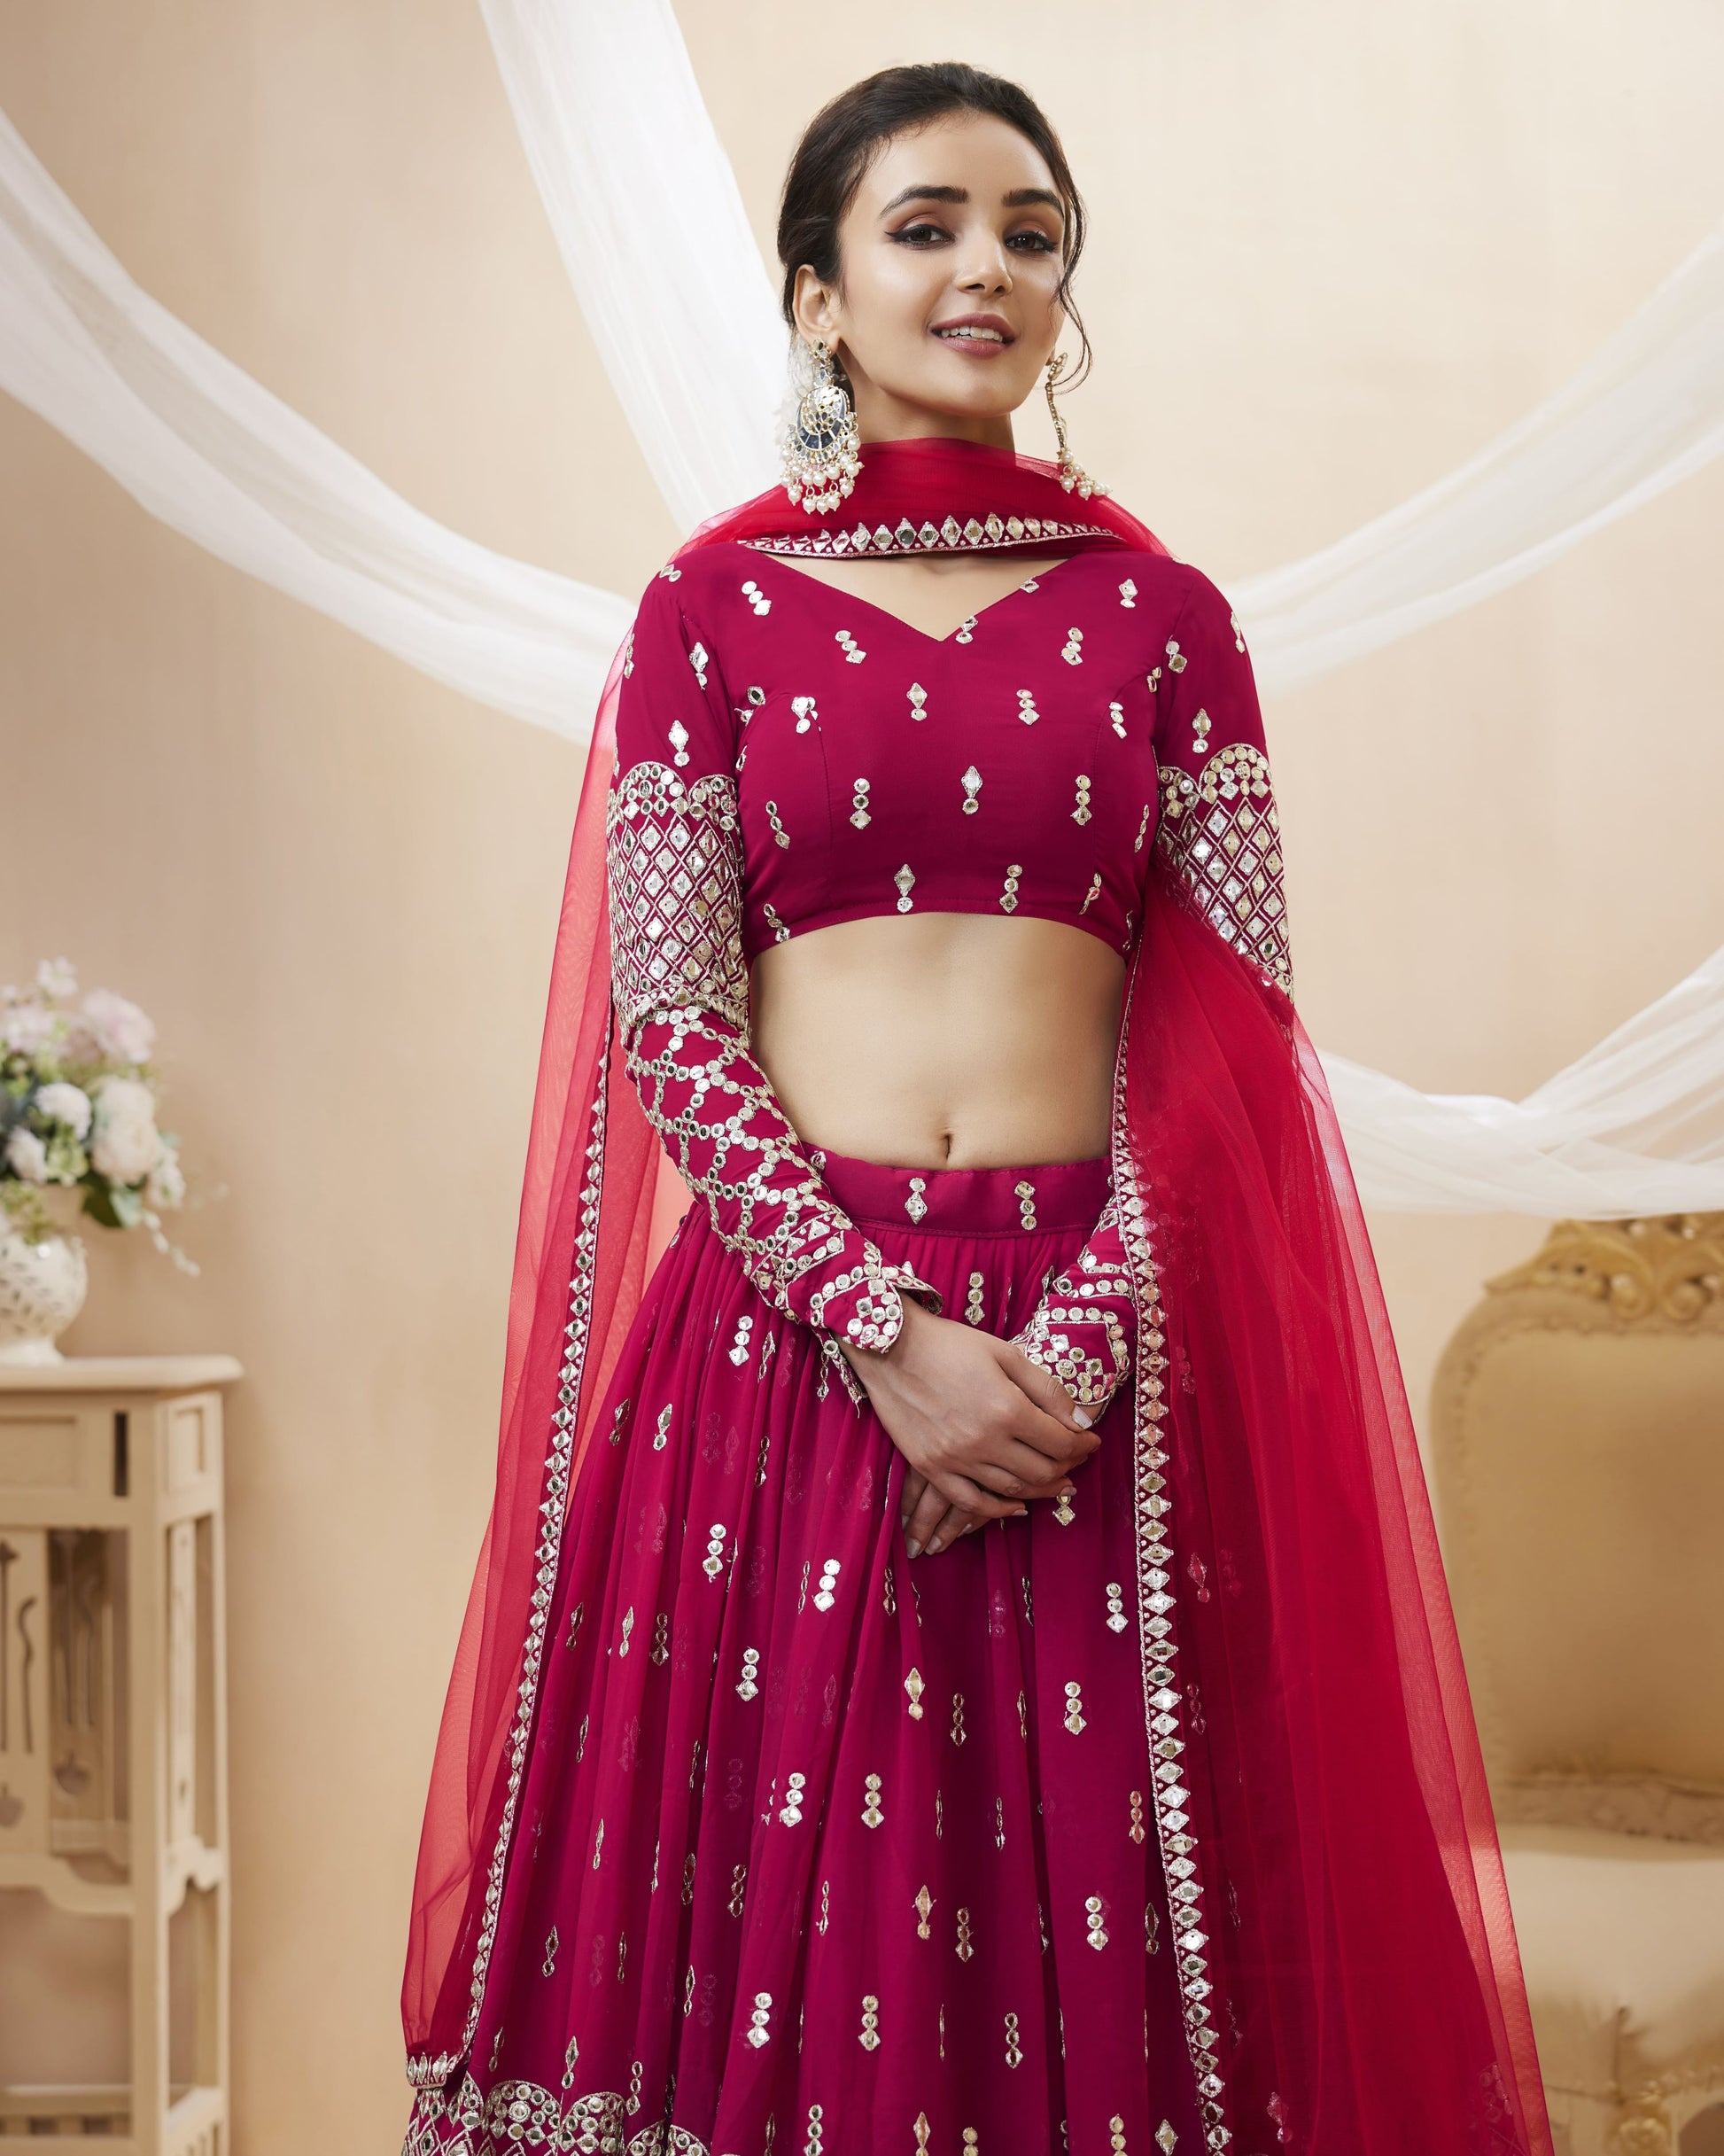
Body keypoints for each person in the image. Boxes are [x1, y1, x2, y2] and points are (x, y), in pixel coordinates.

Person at [400, 63, 1553, 2156]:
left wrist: (1067, 1350)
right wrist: (883, 1329)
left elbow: (1230, 1028)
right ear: (818, 294)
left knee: (1096, 1956)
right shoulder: (708, 613)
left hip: (1086, 1365)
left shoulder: (1164, 622)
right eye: (925, 226)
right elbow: (670, 1012)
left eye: (1028, 232)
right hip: (782, 1348)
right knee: (770, 1951)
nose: (986, 269)